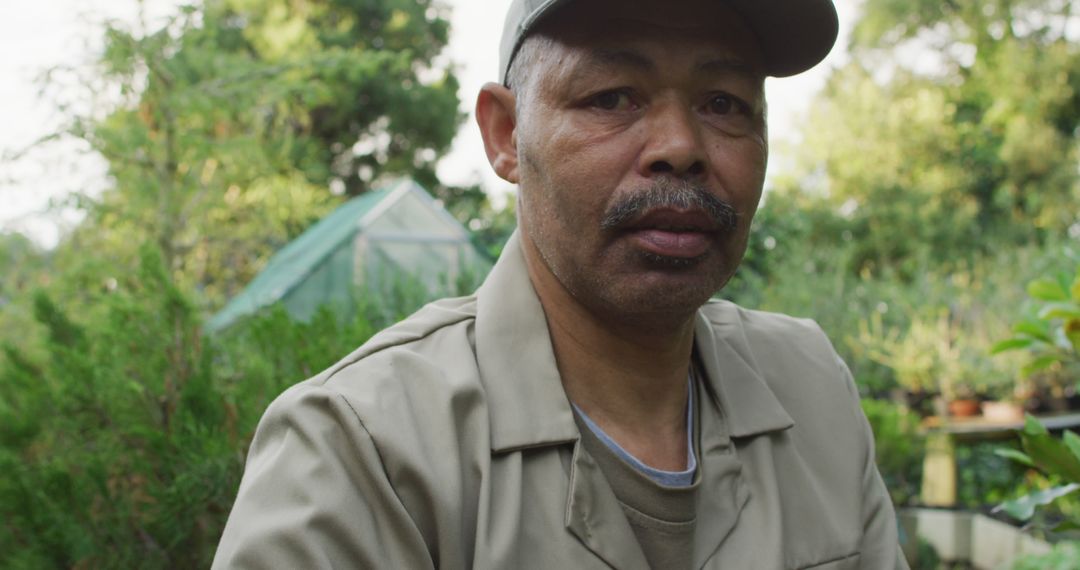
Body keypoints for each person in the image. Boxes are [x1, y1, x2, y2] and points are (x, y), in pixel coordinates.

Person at [214, 0, 909, 568]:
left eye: (724, 103)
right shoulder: (362, 453)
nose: (681, 147)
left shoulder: (812, 387)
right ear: (506, 134)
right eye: (612, 97)